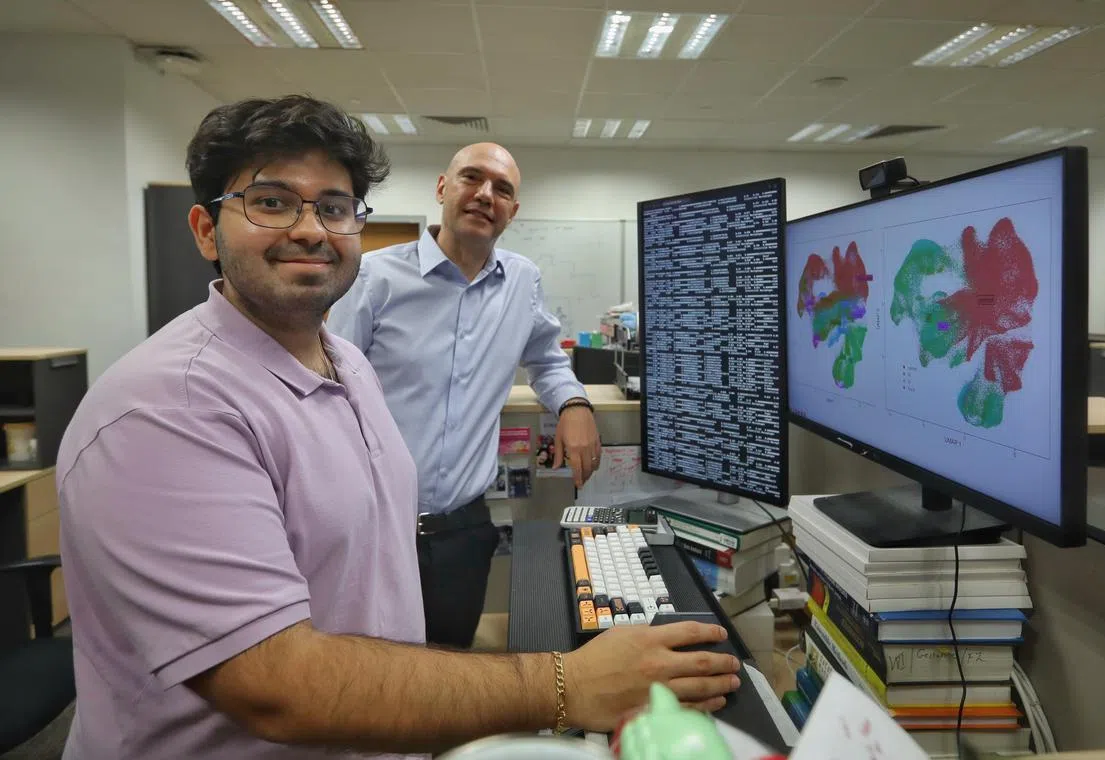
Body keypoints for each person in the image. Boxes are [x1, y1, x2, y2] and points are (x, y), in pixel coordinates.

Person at [55, 95, 740, 760]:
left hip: (451, 543)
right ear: (207, 229)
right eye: (270, 202)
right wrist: (567, 685)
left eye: (333, 207)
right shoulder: (166, 411)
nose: (309, 229)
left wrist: (575, 405)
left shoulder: (345, 362)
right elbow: (277, 687)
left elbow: (544, 356)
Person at [327, 142, 603, 648]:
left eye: (502, 189)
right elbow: (331, 387)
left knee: (450, 670)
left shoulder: (522, 281)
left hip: (465, 532)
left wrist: (574, 403)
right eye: (471, 178)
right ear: (442, 188)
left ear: (513, 212)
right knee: (374, 677)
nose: (485, 194)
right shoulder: (374, 276)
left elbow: (545, 360)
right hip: (377, 526)